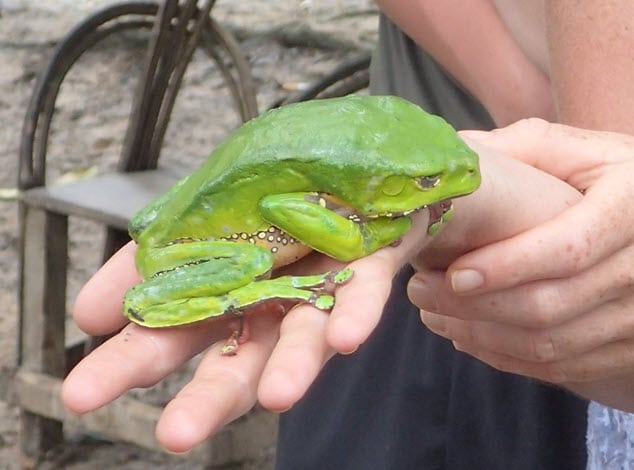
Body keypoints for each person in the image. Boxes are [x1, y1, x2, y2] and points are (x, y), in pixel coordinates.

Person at [62, 1, 634, 468]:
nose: (459, 180)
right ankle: (245, 291)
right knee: (251, 265)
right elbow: (280, 204)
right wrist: (359, 239)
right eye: (428, 181)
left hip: (266, 186)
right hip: (211, 239)